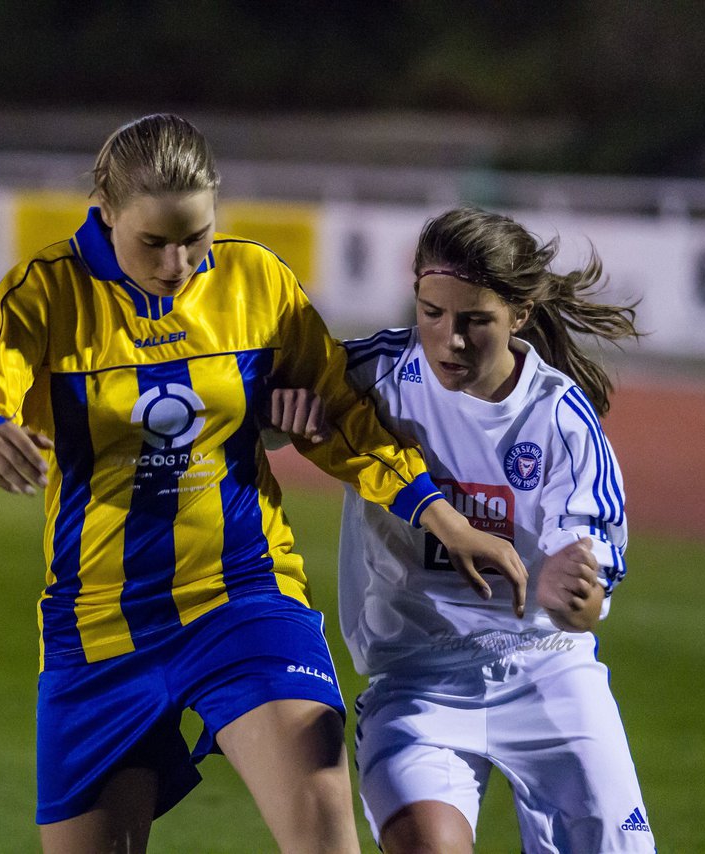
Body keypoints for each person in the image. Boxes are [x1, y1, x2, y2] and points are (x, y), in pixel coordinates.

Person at [0, 116, 525, 853]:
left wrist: (440, 514)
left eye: (197, 236)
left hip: (242, 594)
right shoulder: (48, 292)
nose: (180, 263)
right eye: (155, 242)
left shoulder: (257, 283)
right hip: (97, 625)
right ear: (106, 212)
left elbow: (342, 415)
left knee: (323, 831)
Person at [271, 206, 653, 853]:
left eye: (475, 321)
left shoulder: (560, 418)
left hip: (547, 673)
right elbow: (258, 415)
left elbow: (588, 585)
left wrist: (576, 595)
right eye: (431, 312)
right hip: (418, 687)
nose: (449, 339)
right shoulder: (373, 375)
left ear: (520, 315)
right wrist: (283, 409)